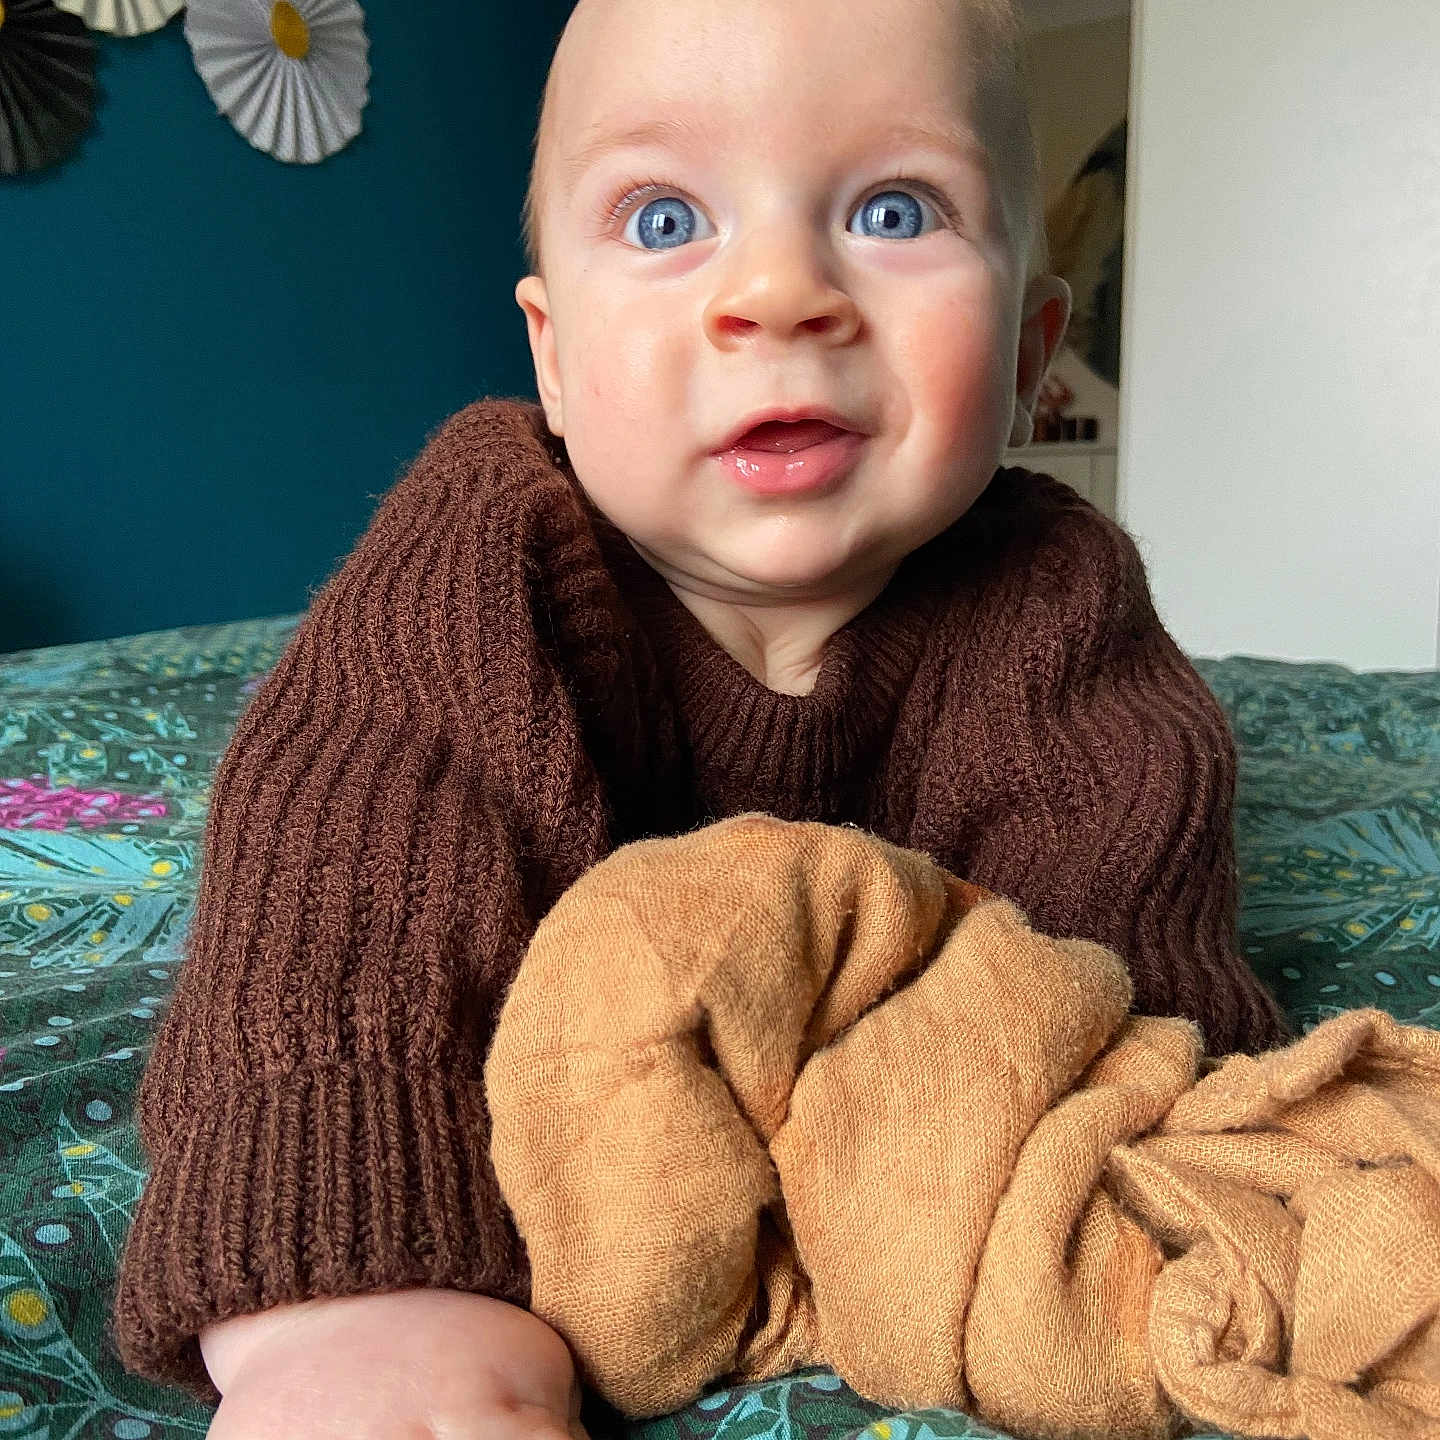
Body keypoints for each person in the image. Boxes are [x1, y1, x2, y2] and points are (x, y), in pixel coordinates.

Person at [110, 0, 1292, 1435]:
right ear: (552, 359)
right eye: (666, 219)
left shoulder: (1057, 602)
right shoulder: (490, 545)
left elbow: (1123, 990)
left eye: (894, 207)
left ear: (1035, 351)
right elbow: (344, 879)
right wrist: (358, 1298)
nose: (780, 292)